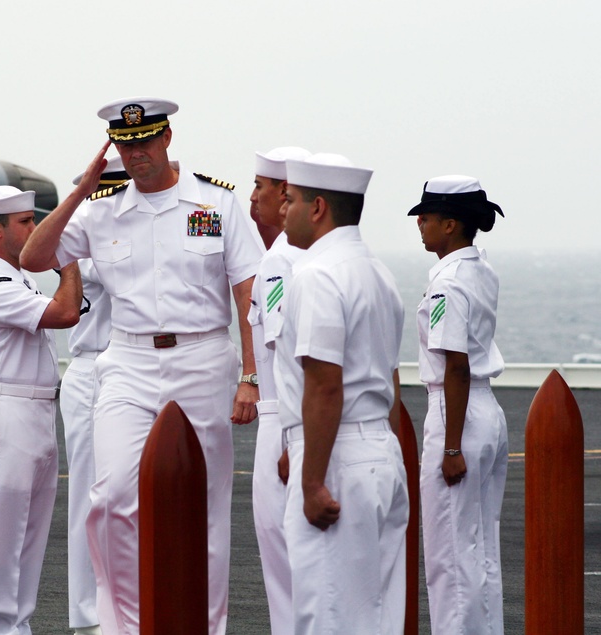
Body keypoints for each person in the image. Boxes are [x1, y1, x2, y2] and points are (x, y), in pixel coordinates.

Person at [20, 97, 262, 635]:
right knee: (109, 498)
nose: (136, 156)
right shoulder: (100, 208)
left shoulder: (215, 203)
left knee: (205, 504)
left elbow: (248, 290)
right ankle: (124, 626)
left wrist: (251, 376)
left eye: (145, 143)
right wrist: (79, 192)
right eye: (126, 146)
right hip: (127, 359)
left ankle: (205, 625)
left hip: (202, 356)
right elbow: (33, 258)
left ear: (168, 137)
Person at [273, 153, 408, 634]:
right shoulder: (378, 273)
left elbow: (325, 384)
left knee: (327, 614)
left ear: (317, 209)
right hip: (379, 450)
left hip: (336, 453)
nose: (280, 210)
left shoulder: (316, 275)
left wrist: (311, 481)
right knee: (377, 615)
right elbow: (389, 377)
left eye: (288, 200)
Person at [0, 185, 83, 635]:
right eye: (27, 223)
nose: (36, 229)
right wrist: (66, 260)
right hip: (6, 413)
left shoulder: (19, 279)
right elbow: (66, 313)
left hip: (36, 414)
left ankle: (18, 627)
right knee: (0, 540)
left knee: (30, 541)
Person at [408, 175, 507, 635]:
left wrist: (450, 447)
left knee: (450, 553)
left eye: (426, 216)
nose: (420, 224)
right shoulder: (480, 269)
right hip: (486, 412)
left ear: (451, 225)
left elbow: (456, 366)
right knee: (481, 548)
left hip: (457, 414)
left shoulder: (447, 283)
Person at [59, 159, 128, 635]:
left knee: (130, 495)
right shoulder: (83, 239)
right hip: (91, 369)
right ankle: (87, 619)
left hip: (133, 366)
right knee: (89, 494)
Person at [246, 146, 310, 635]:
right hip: (306, 420)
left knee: (285, 567)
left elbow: (287, 357)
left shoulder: (278, 262)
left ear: (284, 195)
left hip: (285, 420)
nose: (253, 197)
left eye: (260, 187)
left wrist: (289, 439)